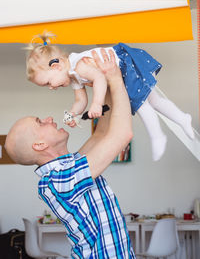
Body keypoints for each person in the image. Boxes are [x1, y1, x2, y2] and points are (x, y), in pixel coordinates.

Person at [5, 50, 136, 258]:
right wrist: (115, 79)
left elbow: (101, 132)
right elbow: (122, 134)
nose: (48, 118)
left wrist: (104, 82)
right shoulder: (60, 181)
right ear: (39, 145)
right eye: (40, 122)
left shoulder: (70, 166)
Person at [25, 32, 194, 161]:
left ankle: (157, 136)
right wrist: (72, 114)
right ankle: (182, 118)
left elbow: (99, 78)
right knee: (154, 101)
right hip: (122, 70)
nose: (51, 87)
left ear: (56, 66)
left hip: (125, 64)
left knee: (141, 104)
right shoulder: (73, 76)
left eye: (48, 82)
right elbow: (80, 100)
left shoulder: (80, 65)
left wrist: (97, 103)